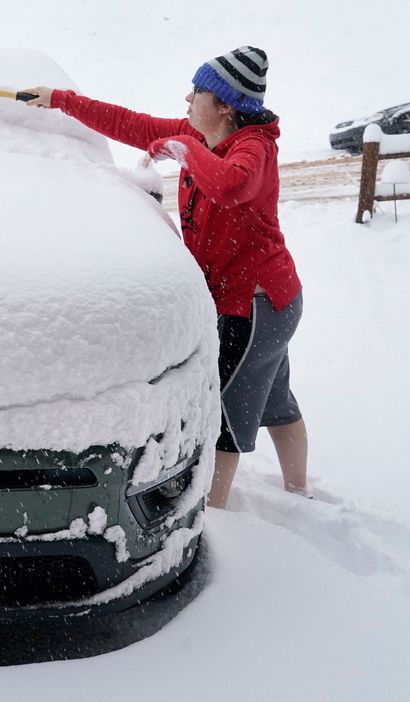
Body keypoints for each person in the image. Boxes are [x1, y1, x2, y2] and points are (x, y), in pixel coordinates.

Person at [24, 46, 308, 509]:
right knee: (276, 400)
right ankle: (301, 491)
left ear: (224, 106)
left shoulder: (253, 148)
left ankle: (217, 517)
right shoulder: (197, 133)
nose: (186, 98)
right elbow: (129, 124)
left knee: (228, 420)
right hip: (271, 301)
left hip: (254, 306)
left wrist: (184, 149)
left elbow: (231, 186)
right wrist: (59, 98)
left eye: (196, 91)